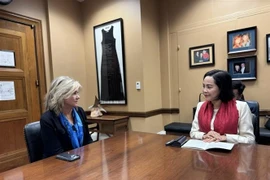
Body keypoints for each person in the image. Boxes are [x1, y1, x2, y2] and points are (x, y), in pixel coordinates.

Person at [190, 69, 255, 144]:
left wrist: (226, 137)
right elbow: (193, 132)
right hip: (205, 150)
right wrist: (204, 135)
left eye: (209, 87)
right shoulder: (200, 106)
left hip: (232, 153)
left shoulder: (241, 107)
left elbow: (249, 139)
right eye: (203, 86)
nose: (204, 90)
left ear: (222, 88)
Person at [40, 76, 93, 158]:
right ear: (62, 95)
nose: (78, 97)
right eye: (74, 93)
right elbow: (55, 153)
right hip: (59, 165)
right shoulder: (48, 119)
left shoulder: (80, 112)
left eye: (77, 93)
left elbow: (88, 140)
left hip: (80, 160)